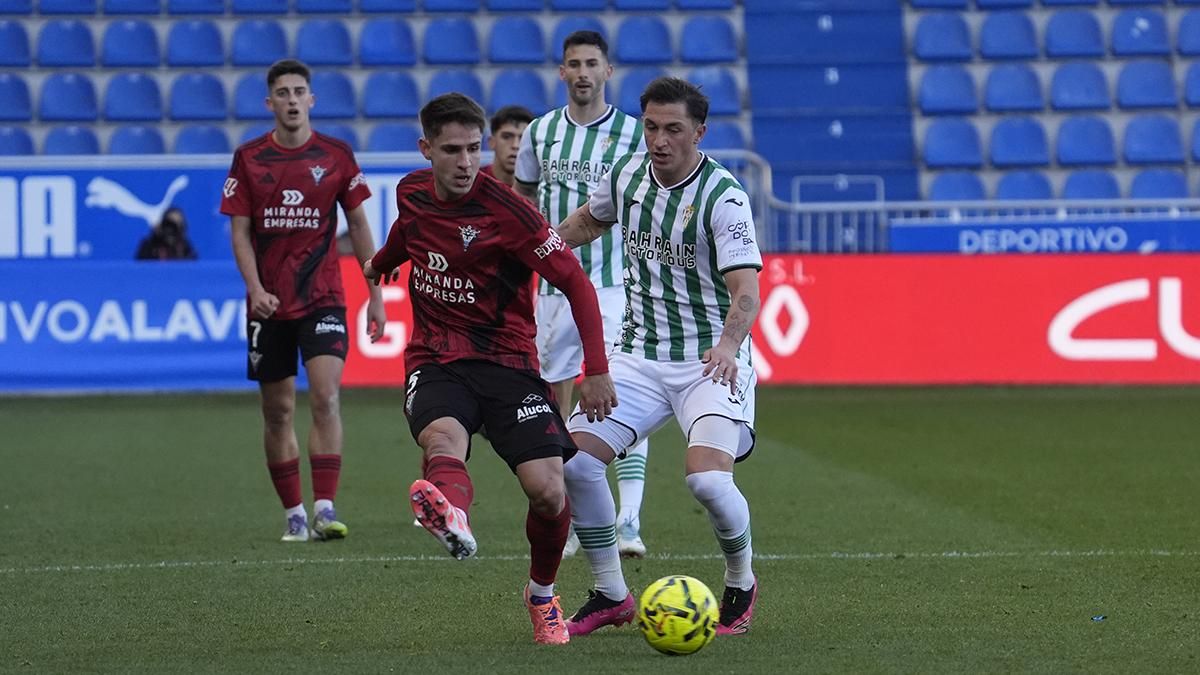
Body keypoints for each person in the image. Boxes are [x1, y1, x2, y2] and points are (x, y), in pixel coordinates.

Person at [362, 93, 617, 646]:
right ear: (425, 149)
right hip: (437, 358)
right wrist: (382, 265)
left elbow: (574, 281)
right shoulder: (411, 192)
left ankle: (542, 595)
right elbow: (408, 235)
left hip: (509, 363)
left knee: (549, 491)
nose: (465, 162)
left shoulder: (510, 212)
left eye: (474, 149)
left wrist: (594, 368)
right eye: (451, 150)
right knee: (442, 438)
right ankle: (452, 513)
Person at [554, 77, 762, 637]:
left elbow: (746, 289)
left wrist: (728, 344)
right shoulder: (625, 176)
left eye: (673, 129)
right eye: (651, 127)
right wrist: (541, 248)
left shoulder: (724, 196)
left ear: (699, 131)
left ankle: (740, 582)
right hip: (640, 354)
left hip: (709, 361)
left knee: (709, 484)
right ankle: (610, 593)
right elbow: (588, 221)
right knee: (574, 463)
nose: (660, 140)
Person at [220, 59, 387, 543]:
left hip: (324, 298)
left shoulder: (336, 155)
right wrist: (254, 290)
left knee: (326, 396)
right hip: (267, 305)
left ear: (311, 100)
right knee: (277, 412)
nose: (292, 100)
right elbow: (240, 232)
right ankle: (293, 513)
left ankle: (324, 509)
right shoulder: (249, 158)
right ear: (269, 103)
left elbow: (358, 226)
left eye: (299, 92)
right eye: (283, 93)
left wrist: (375, 293)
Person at [514, 30, 651, 559]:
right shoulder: (540, 132)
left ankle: (630, 520)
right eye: (574, 64)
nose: (583, 72)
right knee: (554, 396)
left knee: (624, 395)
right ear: (562, 72)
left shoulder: (634, 133)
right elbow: (523, 195)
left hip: (617, 284)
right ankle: (571, 517)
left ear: (608, 72)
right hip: (553, 289)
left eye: (592, 63)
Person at [482, 105, 534, 188]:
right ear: (491, 142)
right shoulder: (473, 183)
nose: (515, 145)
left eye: (523, 138)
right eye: (507, 137)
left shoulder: (543, 188)